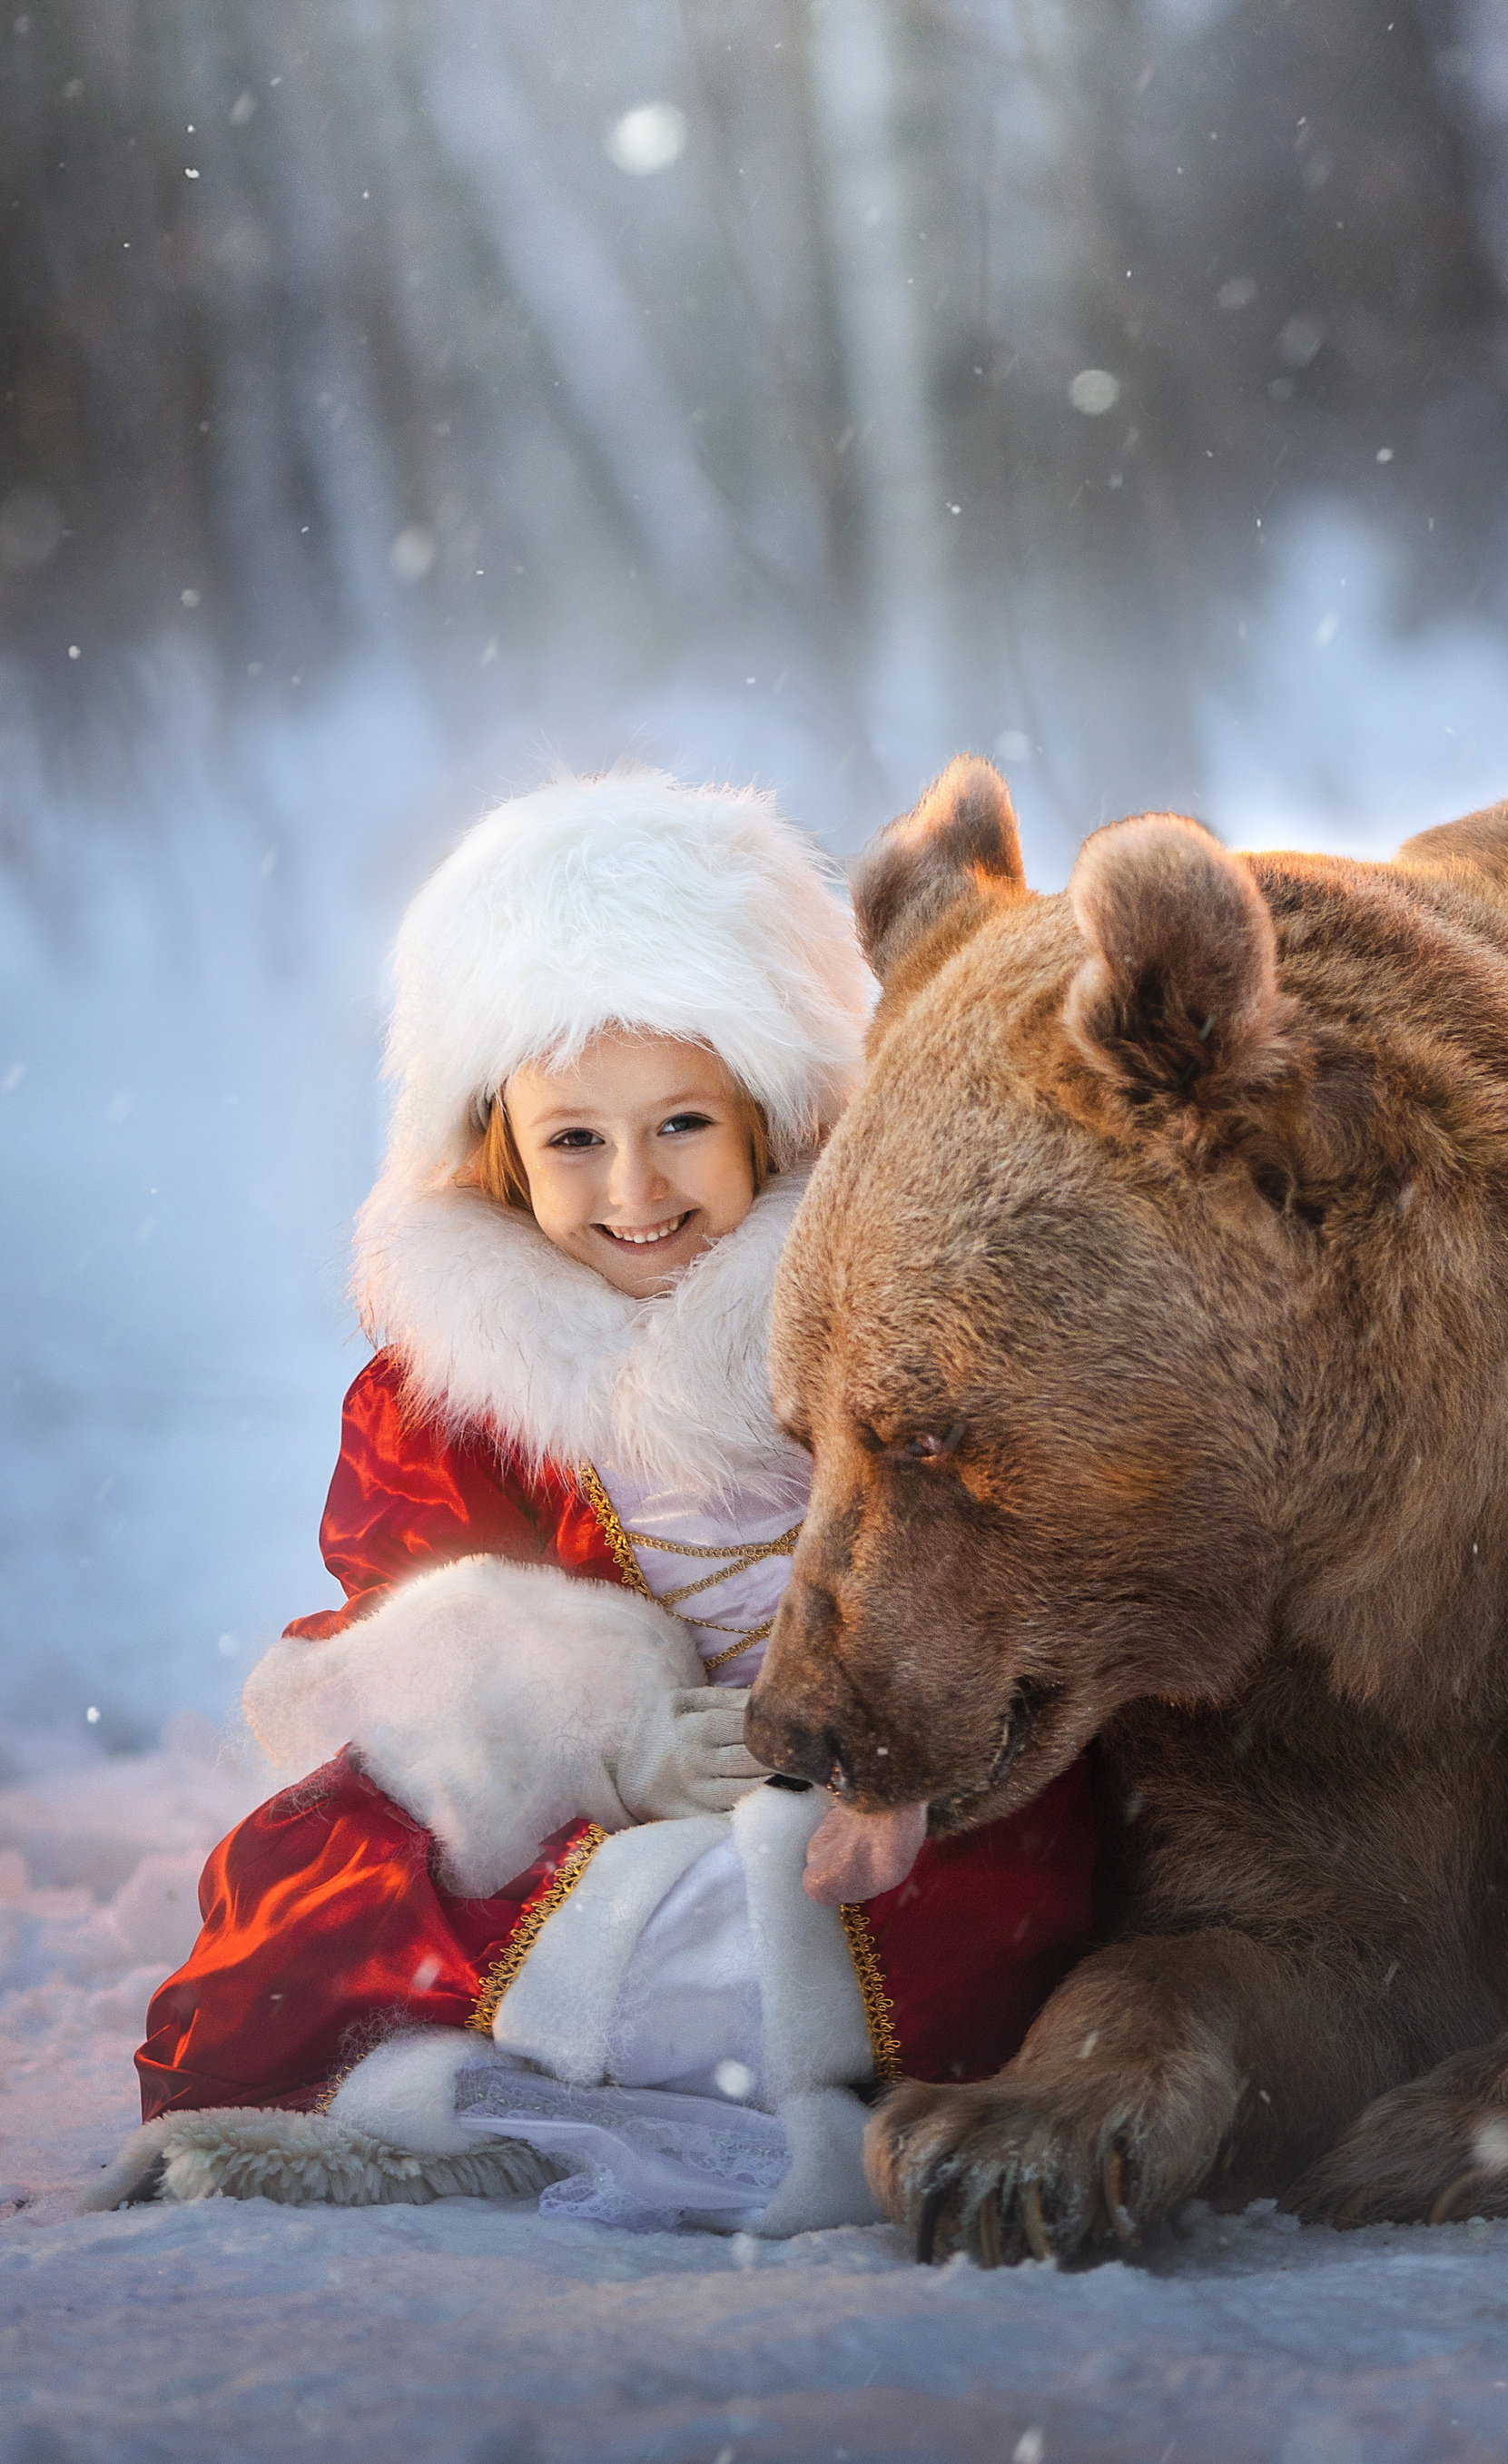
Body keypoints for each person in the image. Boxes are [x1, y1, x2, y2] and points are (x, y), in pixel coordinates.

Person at [87, 770, 1097, 2233]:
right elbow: (417, 1618)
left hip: (888, 1790)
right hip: (594, 1817)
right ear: (501, 1147)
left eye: (682, 1121)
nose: (636, 1186)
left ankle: (583, 2086)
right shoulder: (457, 1389)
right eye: (575, 1139)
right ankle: (577, 2090)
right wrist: (605, 1741)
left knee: (879, 1900)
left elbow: (1010, 1547)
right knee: (319, 1868)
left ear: (774, 1116)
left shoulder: (888, 1334)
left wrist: (881, 1730)